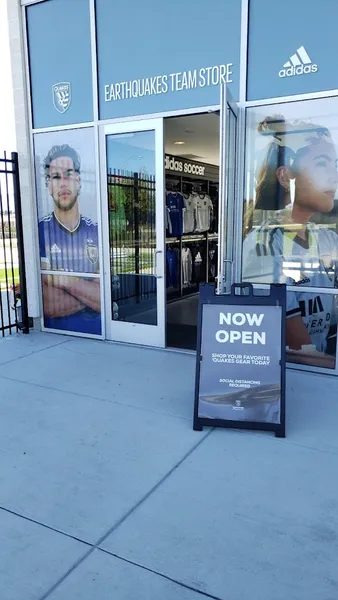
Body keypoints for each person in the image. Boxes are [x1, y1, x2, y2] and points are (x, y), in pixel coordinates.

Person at [242, 115, 338, 368]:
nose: (334, 176)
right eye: (321, 164)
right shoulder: (261, 246)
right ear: (285, 176)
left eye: (335, 165)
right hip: (291, 377)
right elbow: (298, 347)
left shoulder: (326, 239)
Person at [38, 144, 101, 335]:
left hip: (102, 334)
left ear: (79, 181)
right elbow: (48, 304)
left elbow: (103, 298)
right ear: (49, 186)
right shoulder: (39, 232)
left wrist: (63, 280)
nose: (63, 183)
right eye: (56, 177)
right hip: (55, 337)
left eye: (69, 175)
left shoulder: (96, 231)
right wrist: (88, 295)